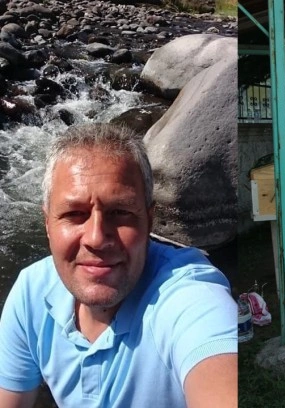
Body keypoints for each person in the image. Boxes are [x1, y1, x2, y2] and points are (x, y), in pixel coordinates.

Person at [0, 123, 237, 407]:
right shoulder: (32, 293)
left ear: (149, 221)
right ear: (47, 224)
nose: (97, 238)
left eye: (120, 212)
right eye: (75, 214)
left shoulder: (187, 296)